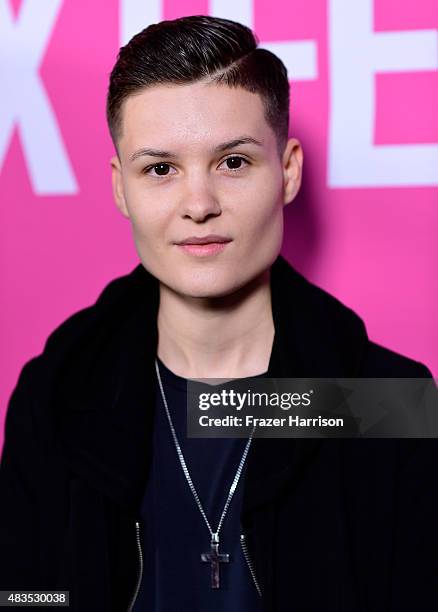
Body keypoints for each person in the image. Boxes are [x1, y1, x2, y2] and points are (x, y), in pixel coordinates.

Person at [0, 14, 437, 612]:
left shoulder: (384, 402)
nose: (199, 204)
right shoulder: (58, 392)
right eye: (160, 169)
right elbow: (25, 596)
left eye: (233, 162)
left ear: (286, 171)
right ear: (121, 188)